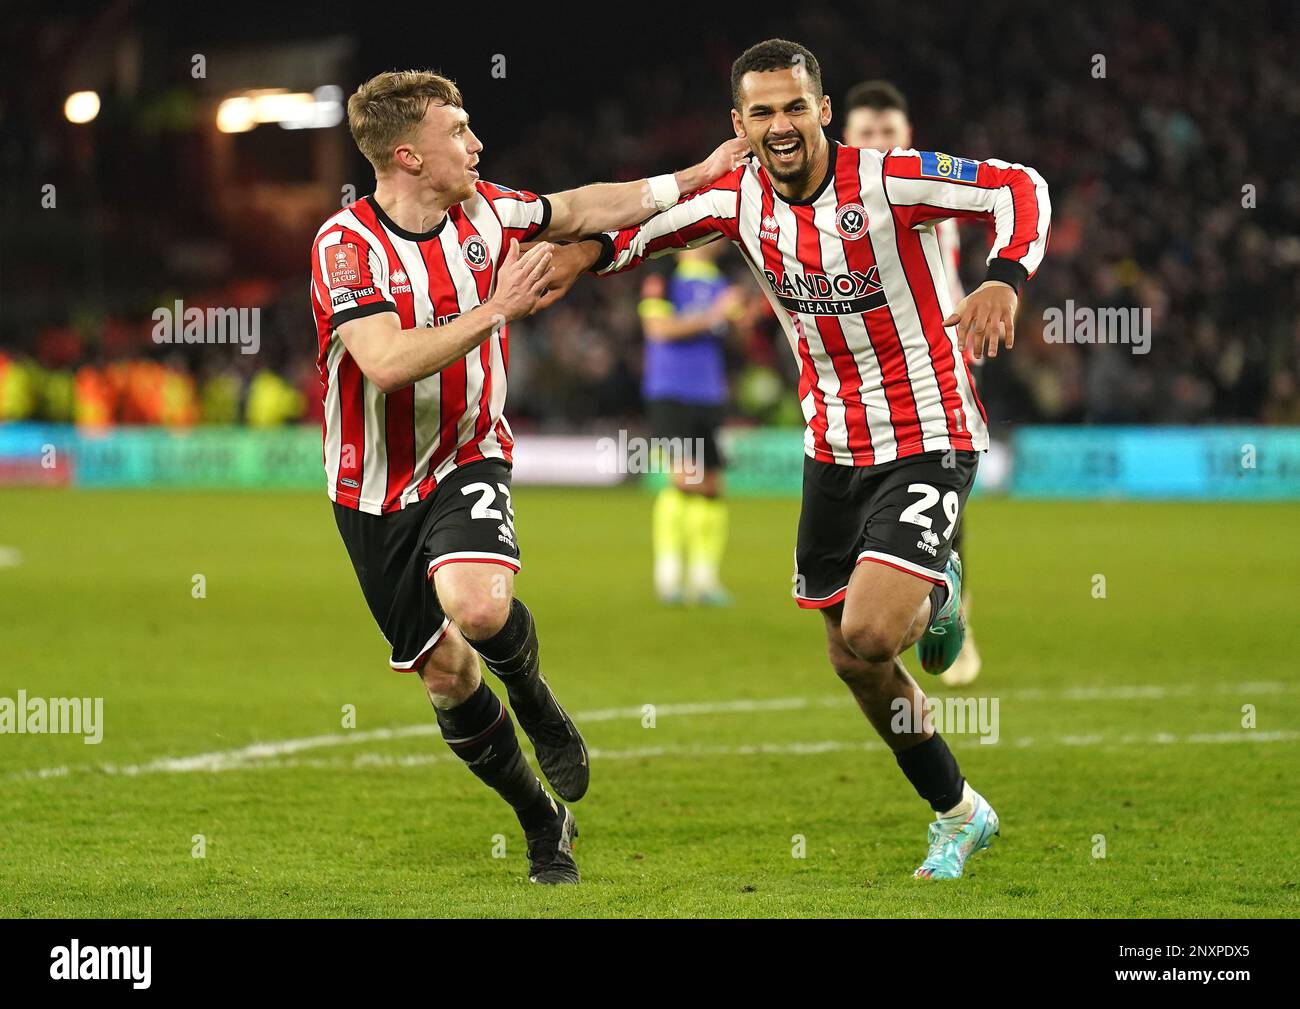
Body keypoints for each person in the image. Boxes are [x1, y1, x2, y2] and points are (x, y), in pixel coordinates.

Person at [544, 40, 1050, 879]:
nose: (781, 126)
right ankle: (959, 810)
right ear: (738, 125)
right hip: (833, 447)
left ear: (822, 109)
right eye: (762, 112)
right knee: (853, 661)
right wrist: (583, 255)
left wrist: (1004, 276)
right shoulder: (738, 197)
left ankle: (936, 583)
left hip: (929, 428)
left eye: (795, 107)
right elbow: (649, 232)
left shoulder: (888, 178)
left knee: (873, 626)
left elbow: (1018, 186)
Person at [310, 69, 747, 884]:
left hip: (468, 451)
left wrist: (690, 178)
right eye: (459, 132)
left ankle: (538, 701)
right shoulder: (345, 246)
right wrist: (495, 311)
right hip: (369, 493)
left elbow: (581, 207)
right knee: (446, 678)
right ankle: (542, 819)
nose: (476, 144)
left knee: (477, 606)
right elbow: (385, 362)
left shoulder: (485, 210)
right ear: (408, 156)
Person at [842, 78, 982, 686]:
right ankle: (906, 601)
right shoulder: (824, 199)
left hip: (928, 368)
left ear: (909, 141)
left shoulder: (914, 190)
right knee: (860, 500)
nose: (876, 144)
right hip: (850, 379)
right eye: (866, 134)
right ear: (843, 138)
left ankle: (949, 604)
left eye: (887, 134)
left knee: (937, 507)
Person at [638, 242, 741, 605]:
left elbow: (735, 336)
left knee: (711, 485)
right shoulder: (664, 274)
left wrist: (741, 319)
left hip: (709, 392)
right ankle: (668, 576)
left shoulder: (723, 281)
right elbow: (658, 330)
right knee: (683, 479)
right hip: (671, 390)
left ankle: (704, 579)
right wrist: (715, 315)